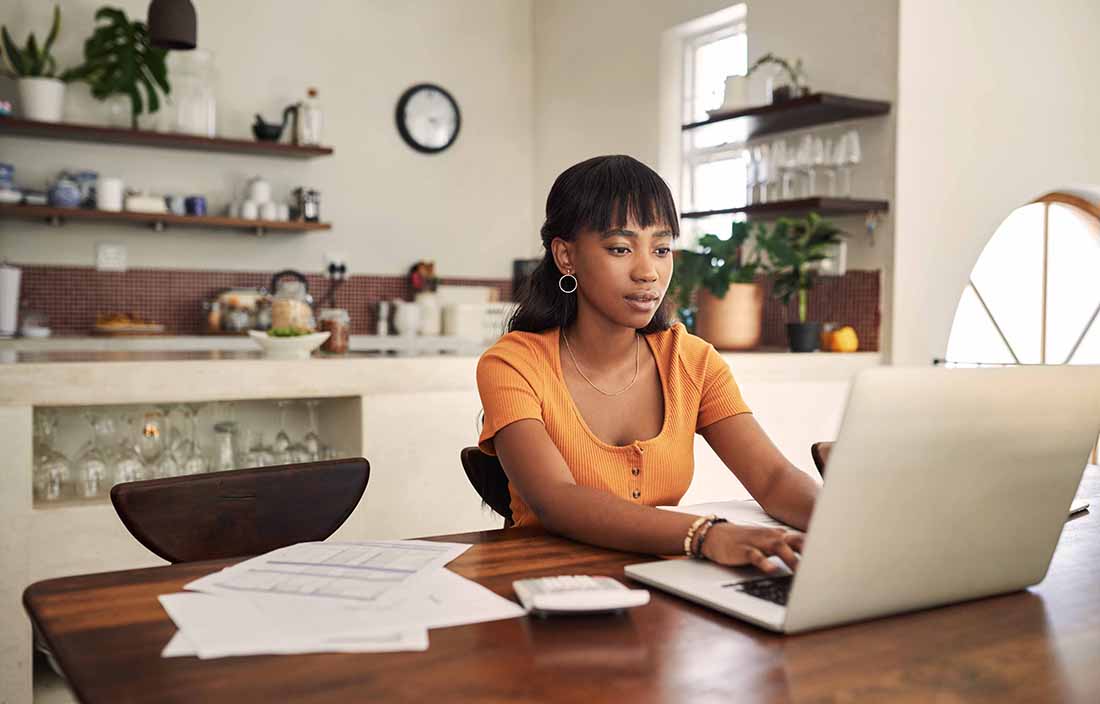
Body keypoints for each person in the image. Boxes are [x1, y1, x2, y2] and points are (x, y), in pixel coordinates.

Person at [476, 155, 818, 573]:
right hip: (545, 592)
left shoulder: (691, 361)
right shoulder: (513, 364)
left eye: (661, 249)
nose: (648, 272)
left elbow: (774, 479)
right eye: (620, 248)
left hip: (664, 588)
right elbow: (556, 499)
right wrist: (704, 535)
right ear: (566, 257)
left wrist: (845, 526)